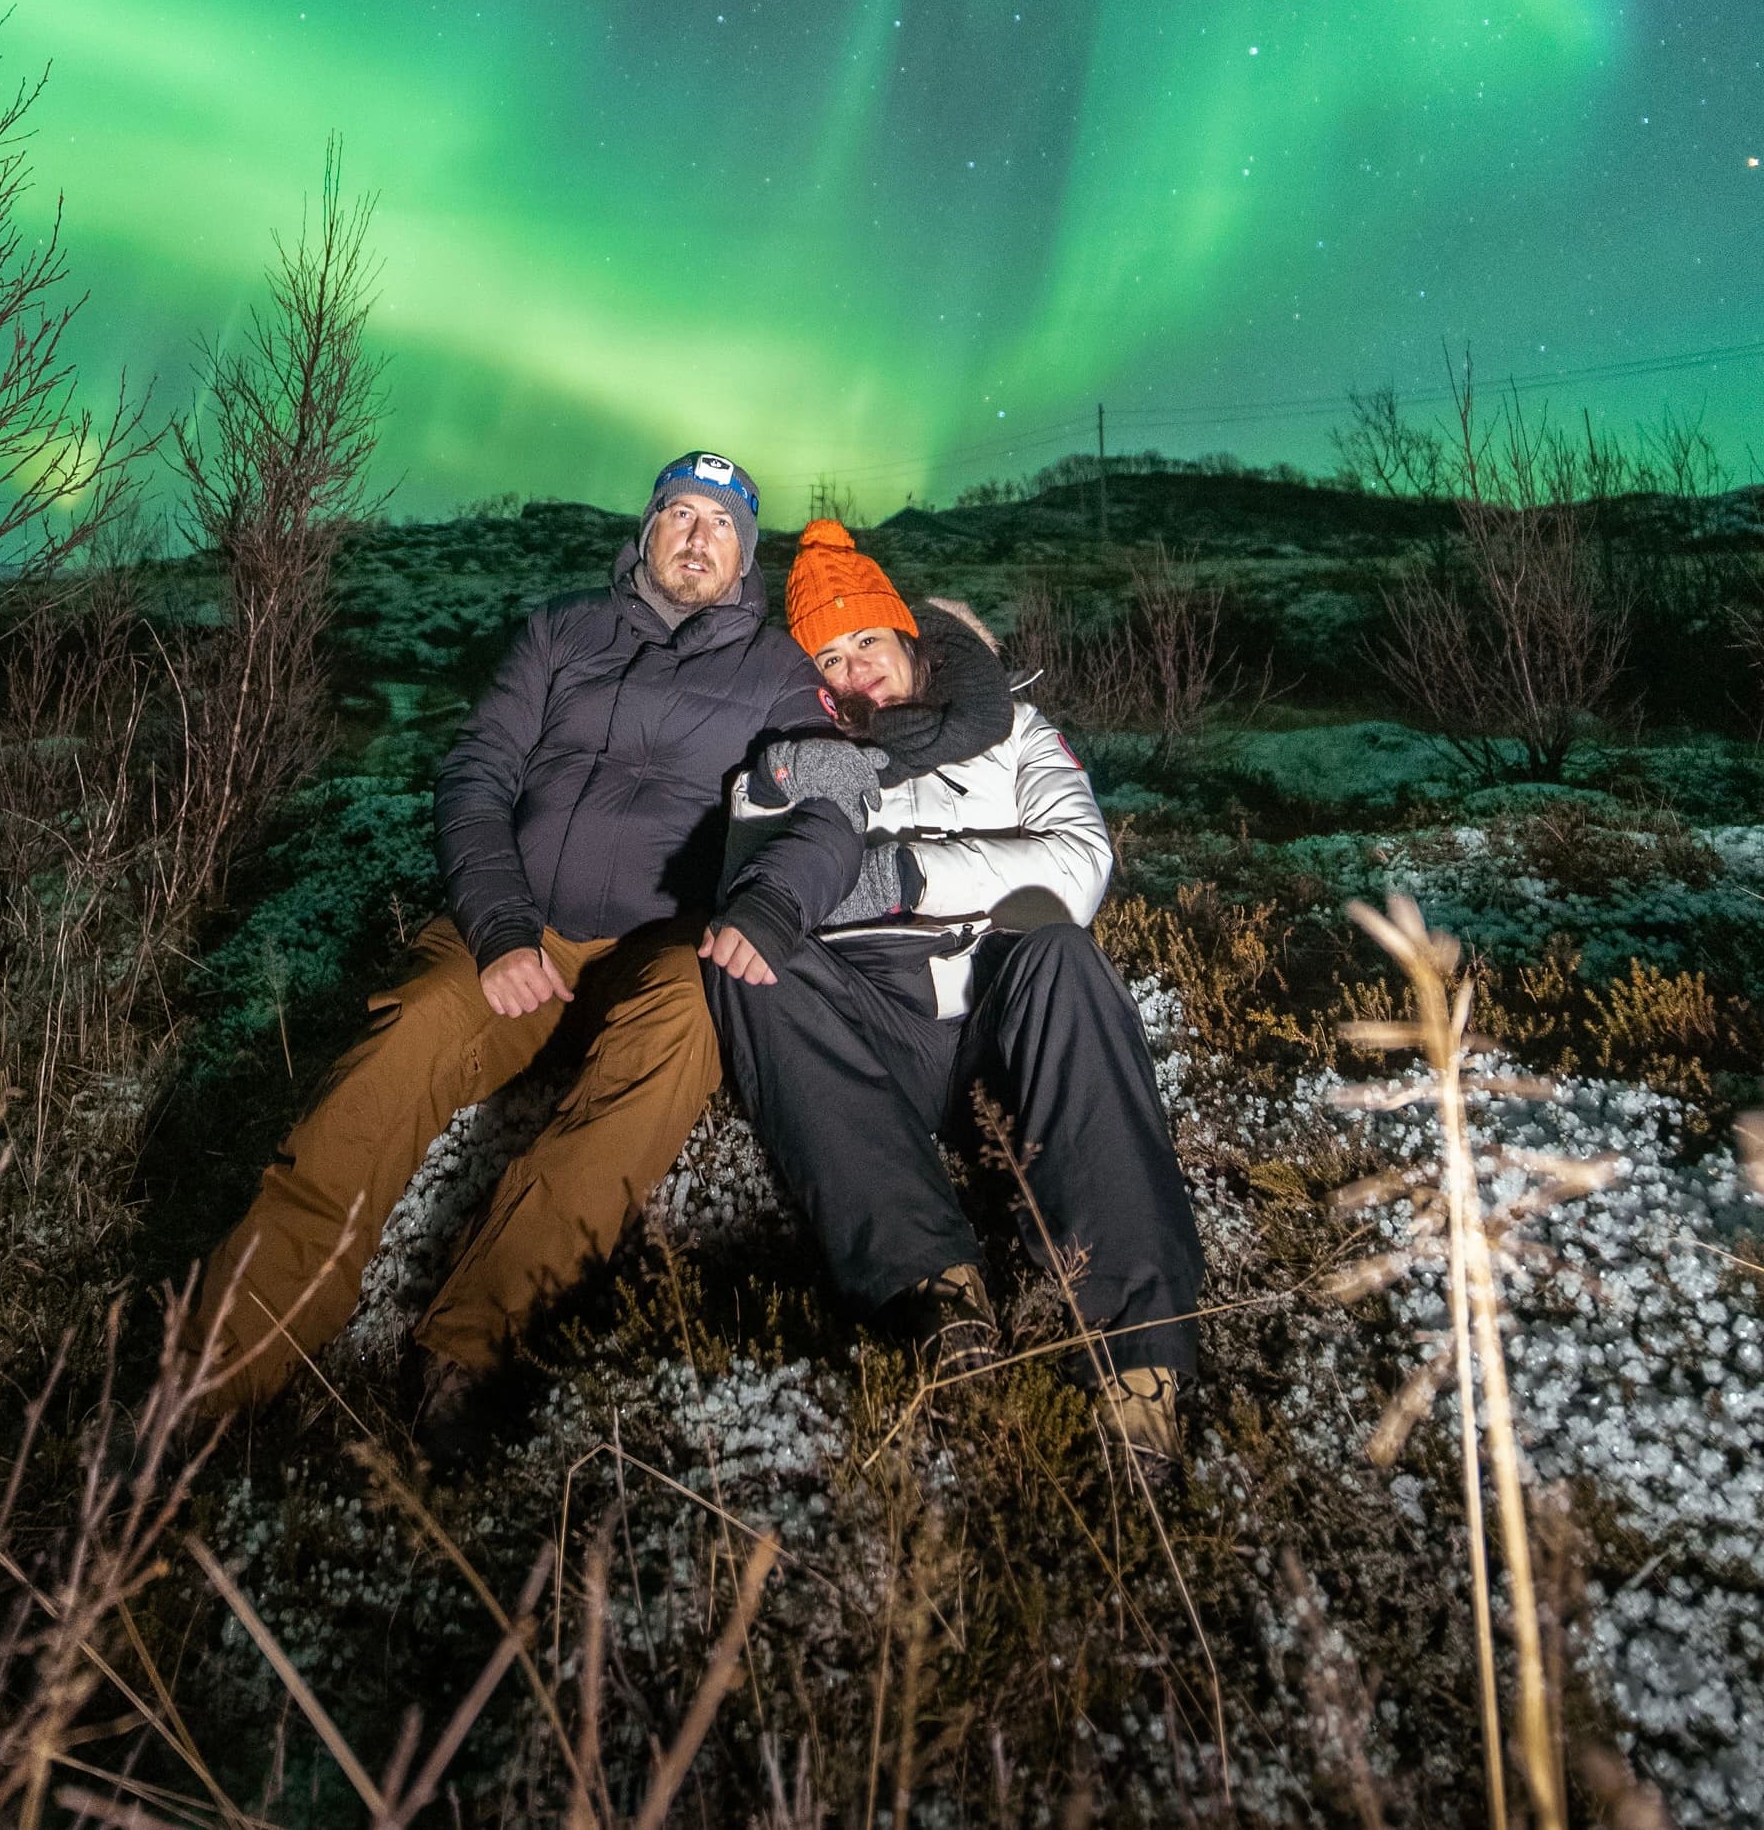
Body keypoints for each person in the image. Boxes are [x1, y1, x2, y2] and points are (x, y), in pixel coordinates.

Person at [197, 452, 823, 1424]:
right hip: (522, 927)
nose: (697, 537)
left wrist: (771, 905)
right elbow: (478, 775)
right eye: (681, 515)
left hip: (663, 943)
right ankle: (222, 1366)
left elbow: (820, 814)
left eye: (721, 524)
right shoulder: (562, 629)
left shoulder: (778, 671)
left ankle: (471, 1341)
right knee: (401, 1045)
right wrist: (498, 928)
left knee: (689, 1022)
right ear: (648, 528)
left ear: (746, 556)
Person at [700, 519, 1204, 1480]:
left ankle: (1140, 1360)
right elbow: (753, 882)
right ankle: (933, 1287)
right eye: (830, 657)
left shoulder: (1014, 726)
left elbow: (1080, 861)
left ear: (909, 635)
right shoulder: (792, 756)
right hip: (865, 1015)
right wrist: (782, 800)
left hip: (998, 1007)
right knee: (753, 966)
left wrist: (908, 878)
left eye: (867, 644)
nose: (854, 674)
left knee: (1061, 950)